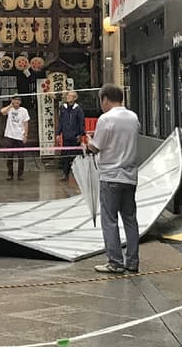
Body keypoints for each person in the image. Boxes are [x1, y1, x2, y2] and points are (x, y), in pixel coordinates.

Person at [83, 83, 142, 274]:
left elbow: (96, 147)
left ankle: (115, 262)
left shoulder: (106, 119)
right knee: (130, 219)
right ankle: (132, 262)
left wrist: (88, 141)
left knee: (109, 220)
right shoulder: (133, 117)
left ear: (105, 99)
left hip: (110, 175)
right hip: (130, 176)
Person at [0, 95, 31, 180]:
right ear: (12, 101)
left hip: (20, 136)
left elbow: (26, 123)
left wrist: (25, 135)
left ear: (20, 102)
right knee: (9, 156)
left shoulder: (24, 111)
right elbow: (2, 112)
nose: (16, 102)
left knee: (21, 156)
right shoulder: (10, 109)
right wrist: (10, 105)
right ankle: (10, 174)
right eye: (15, 100)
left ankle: (20, 174)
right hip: (10, 135)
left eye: (18, 100)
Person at [57, 89, 85, 182]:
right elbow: (60, 121)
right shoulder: (63, 108)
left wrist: (81, 134)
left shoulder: (78, 109)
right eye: (68, 95)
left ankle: (78, 175)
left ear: (75, 98)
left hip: (75, 136)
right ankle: (65, 174)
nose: (69, 97)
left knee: (75, 156)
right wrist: (58, 133)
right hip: (66, 136)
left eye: (71, 96)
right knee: (65, 156)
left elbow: (81, 122)